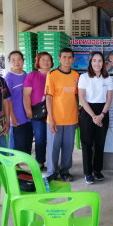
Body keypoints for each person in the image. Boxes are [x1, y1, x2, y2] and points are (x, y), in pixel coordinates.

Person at [78, 51, 113, 184]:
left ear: (103, 63)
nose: (97, 63)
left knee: (100, 143)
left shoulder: (108, 78)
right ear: (90, 62)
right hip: (87, 112)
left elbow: (109, 99)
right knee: (87, 144)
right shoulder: (84, 77)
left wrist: (101, 115)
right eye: (94, 60)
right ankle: (88, 172)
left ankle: (97, 170)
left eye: (99, 61)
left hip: (103, 112)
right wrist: (93, 116)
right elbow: (81, 98)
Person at [45, 48, 79, 182]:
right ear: (59, 59)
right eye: (64, 57)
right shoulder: (52, 75)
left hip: (71, 119)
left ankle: (65, 171)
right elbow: (49, 97)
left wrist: (76, 116)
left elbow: (76, 97)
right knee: (53, 148)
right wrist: (51, 119)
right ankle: (52, 172)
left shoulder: (76, 75)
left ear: (73, 59)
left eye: (70, 57)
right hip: (55, 119)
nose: (67, 60)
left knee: (68, 147)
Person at [23, 52, 53, 168]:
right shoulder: (32, 75)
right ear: (38, 62)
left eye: (48, 59)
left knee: (52, 139)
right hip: (37, 112)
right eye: (42, 60)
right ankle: (40, 162)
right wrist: (28, 111)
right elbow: (26, 95)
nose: (46, 62)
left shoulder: (55, 75)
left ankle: (52, 162)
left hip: (53, 112)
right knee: (40, 138)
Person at [5, 51, 33, 155]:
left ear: (23, 61)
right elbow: (8, 101)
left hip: (27, 115)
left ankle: (25, 167)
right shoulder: (8, 78)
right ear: (9, 62)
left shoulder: (25, 74)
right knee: (16, 145)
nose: (17, 62)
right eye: (13, 60)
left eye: (19, 59)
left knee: (26, 142)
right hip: (16, 116)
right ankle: (14, 168)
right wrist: (12, 117)